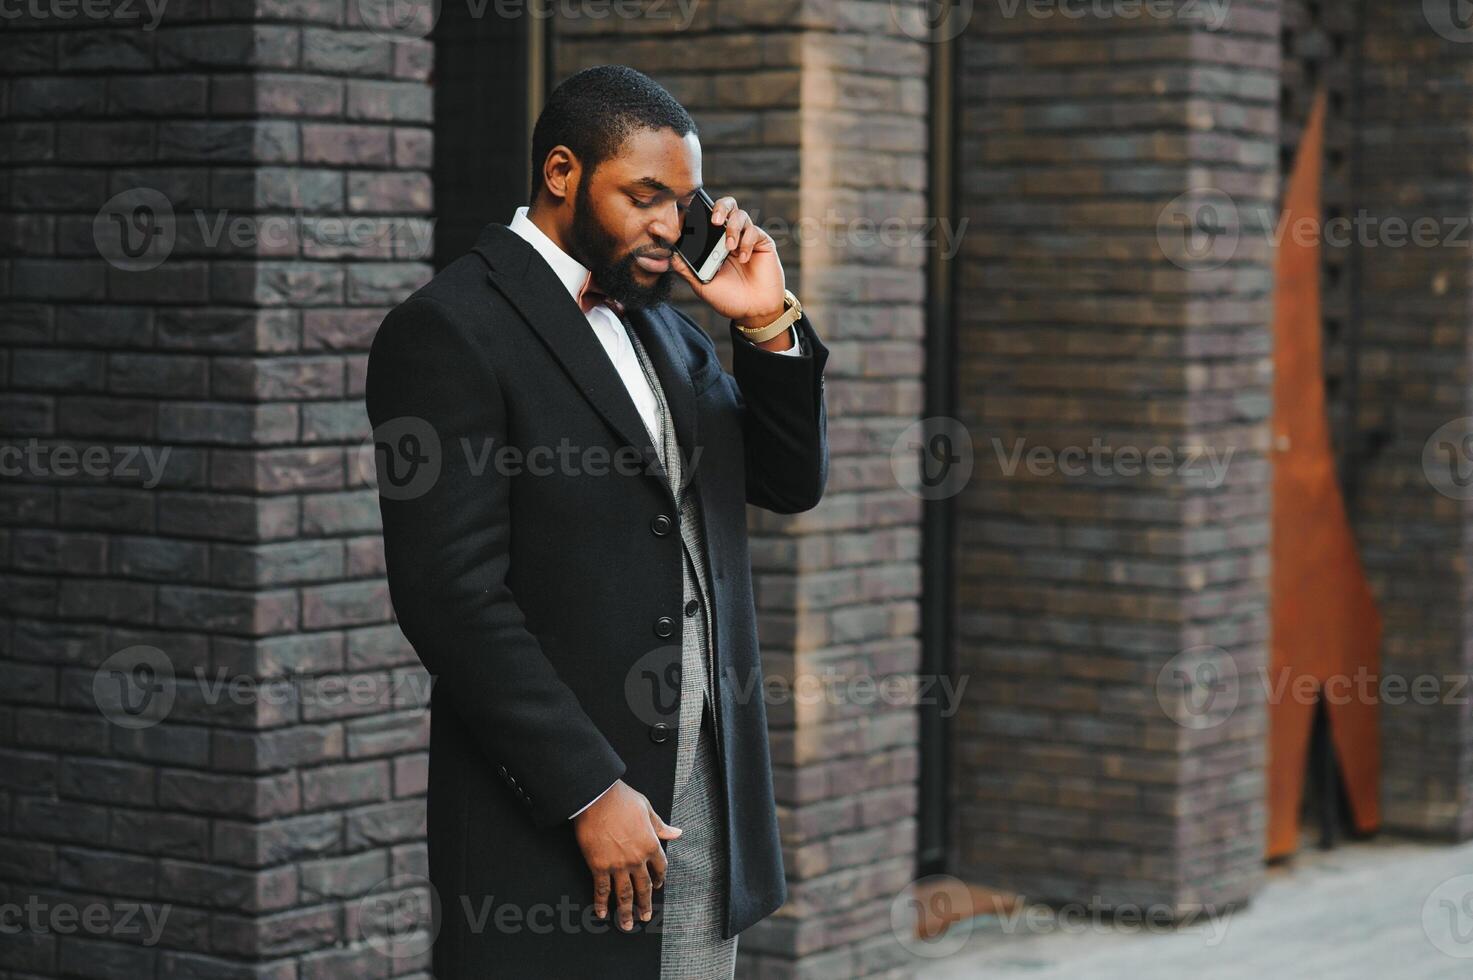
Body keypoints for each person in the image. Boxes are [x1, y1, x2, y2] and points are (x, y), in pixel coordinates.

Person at [364, 64, 830, 978]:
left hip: (703, 798)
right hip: (552, 813)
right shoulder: (447, 330)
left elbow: (786, 481)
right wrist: (583, 789)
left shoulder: (668, 328)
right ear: (563, 172)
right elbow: (449, 596)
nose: (670, 225)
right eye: (644, 196)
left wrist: (766, 320)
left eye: (683, 202)